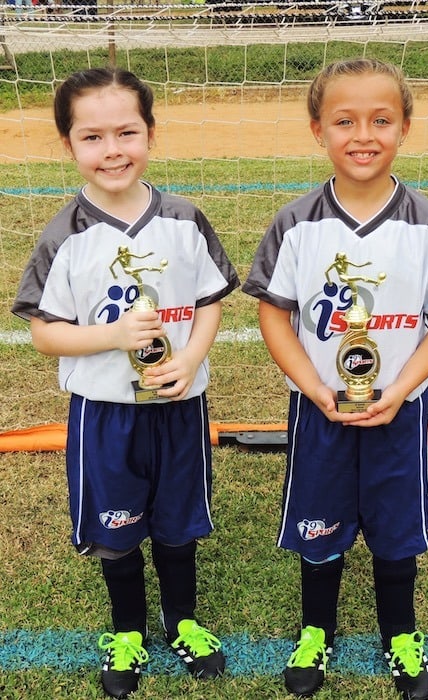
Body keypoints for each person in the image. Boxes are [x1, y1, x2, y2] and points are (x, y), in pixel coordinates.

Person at [242, 58, 428, 699]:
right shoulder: (296, 224)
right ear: (317, 129)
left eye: (381, 119)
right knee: (320, 524)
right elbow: (275, 313)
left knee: (394, 525)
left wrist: (401, 388)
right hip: (319, 410)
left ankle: (399, 633)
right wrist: (312, 386)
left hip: (399, 412)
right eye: (344, 120)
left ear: (405, 127)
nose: (363, 134)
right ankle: (316, 629)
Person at [12, 67, 239, 699]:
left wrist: (191, 357)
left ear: (150, 134)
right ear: (69, 145)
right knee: (117, 531)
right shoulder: (65, 237)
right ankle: (129, 630)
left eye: (127, 132)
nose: (112, 150)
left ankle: (184, 622)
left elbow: (209, 299)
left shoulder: (185, 219)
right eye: (92, 137)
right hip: (105, 413)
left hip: (178, 405)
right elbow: (46, 332)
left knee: (175, 523)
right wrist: (112, 336)